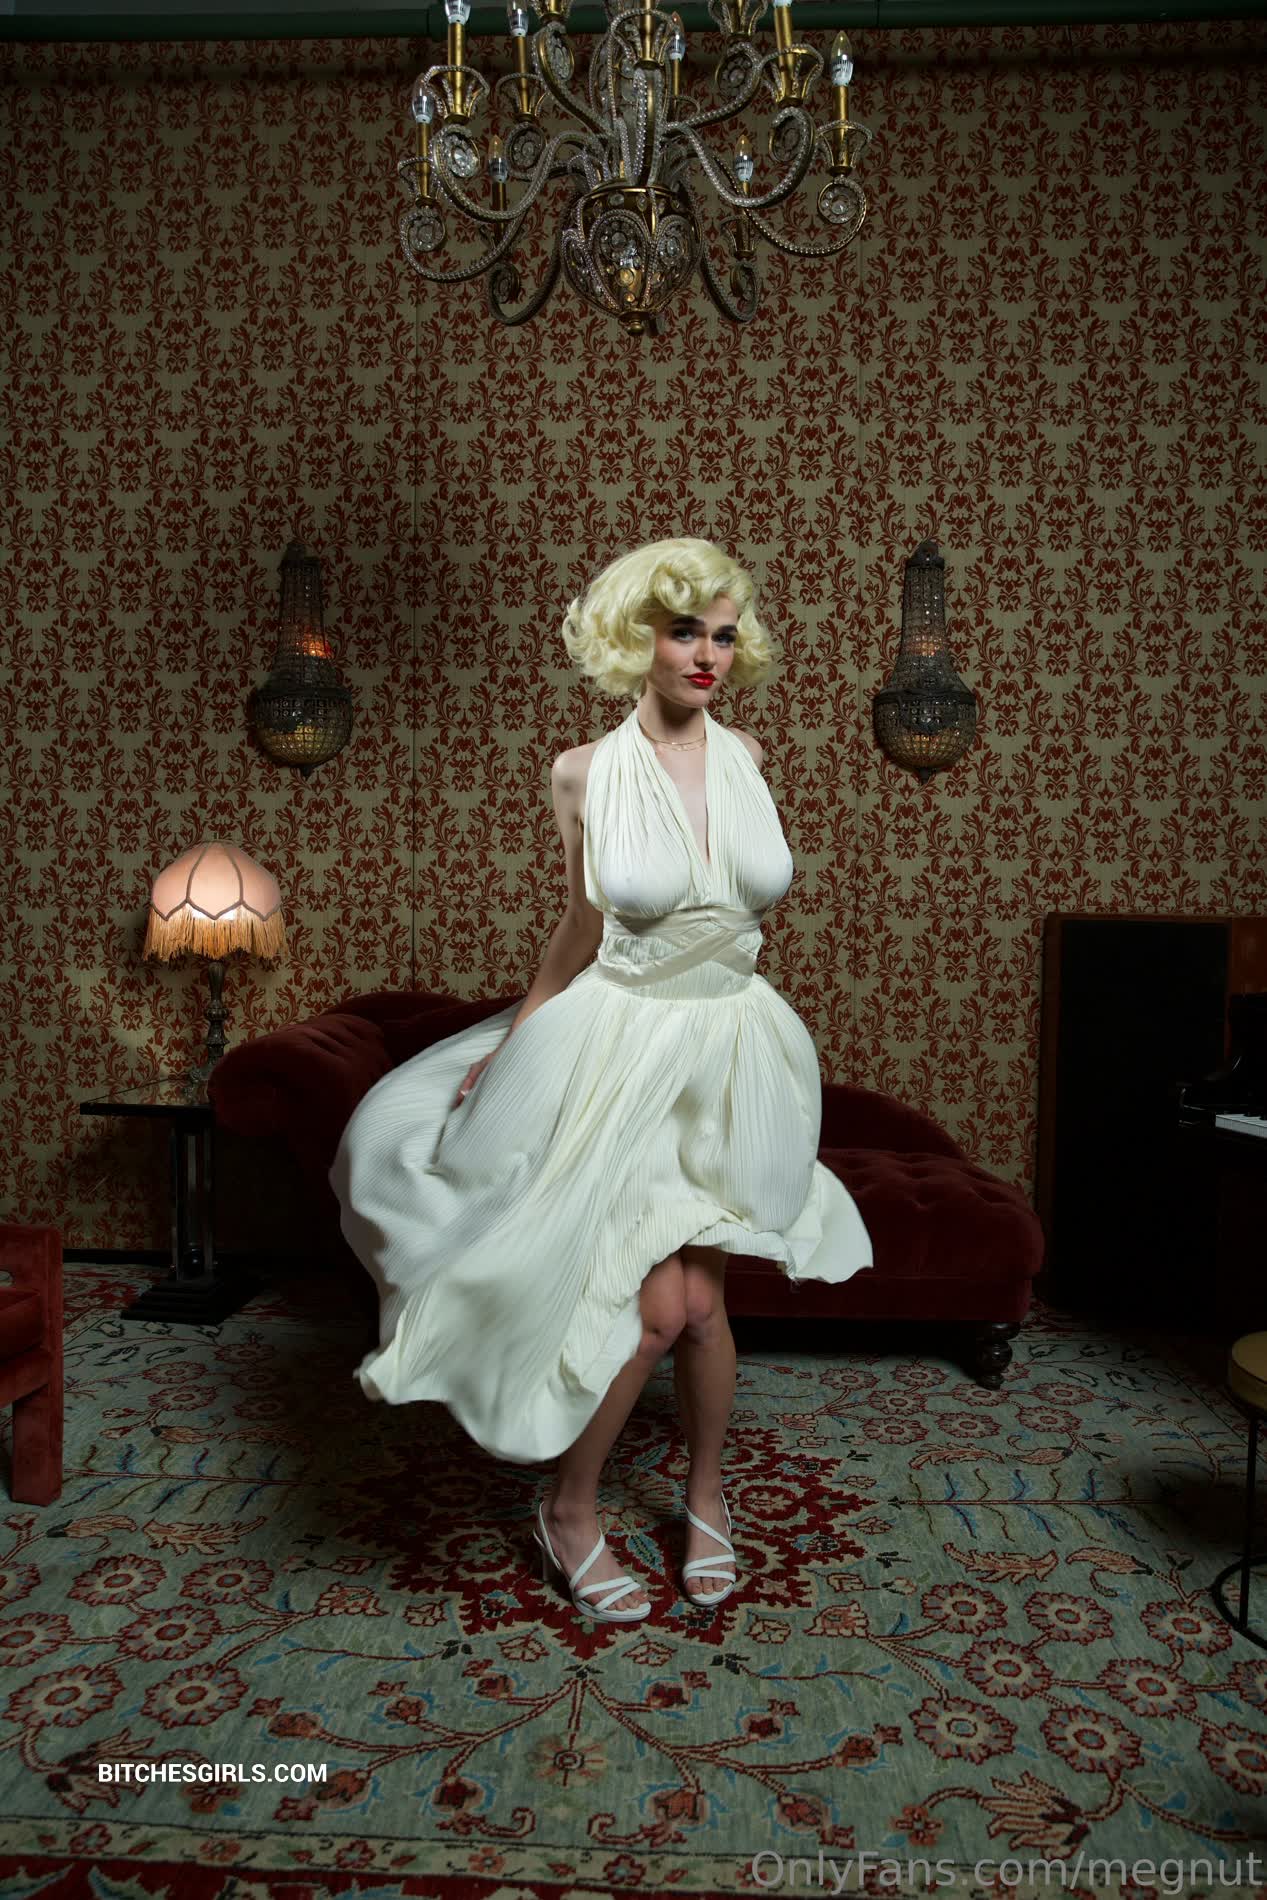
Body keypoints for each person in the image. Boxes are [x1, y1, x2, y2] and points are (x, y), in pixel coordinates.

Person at [328, 537, 873, 1625]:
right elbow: (581, 925)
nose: (707, 654)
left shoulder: (748, 756)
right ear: (638, 639)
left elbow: (733, 907)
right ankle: (570, 1511)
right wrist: (518, 1044)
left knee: (703, 1307)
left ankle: (702, 1500)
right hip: (620, 1052)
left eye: (723, 635)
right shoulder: (582, 771)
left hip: (731, 1051)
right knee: (660, 1309)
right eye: (684, 631)